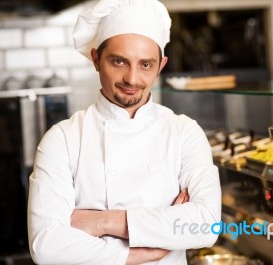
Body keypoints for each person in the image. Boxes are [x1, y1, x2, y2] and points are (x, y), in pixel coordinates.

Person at [27, 0, 222, 264]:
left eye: (145, 65)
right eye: (119, 62)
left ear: (161, 66)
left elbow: (206, 225)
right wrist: (136, 252)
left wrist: (102, 221)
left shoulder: (183, 132)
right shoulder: (63, 139)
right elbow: (46, 246)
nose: (132, 79)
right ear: (96, 59)